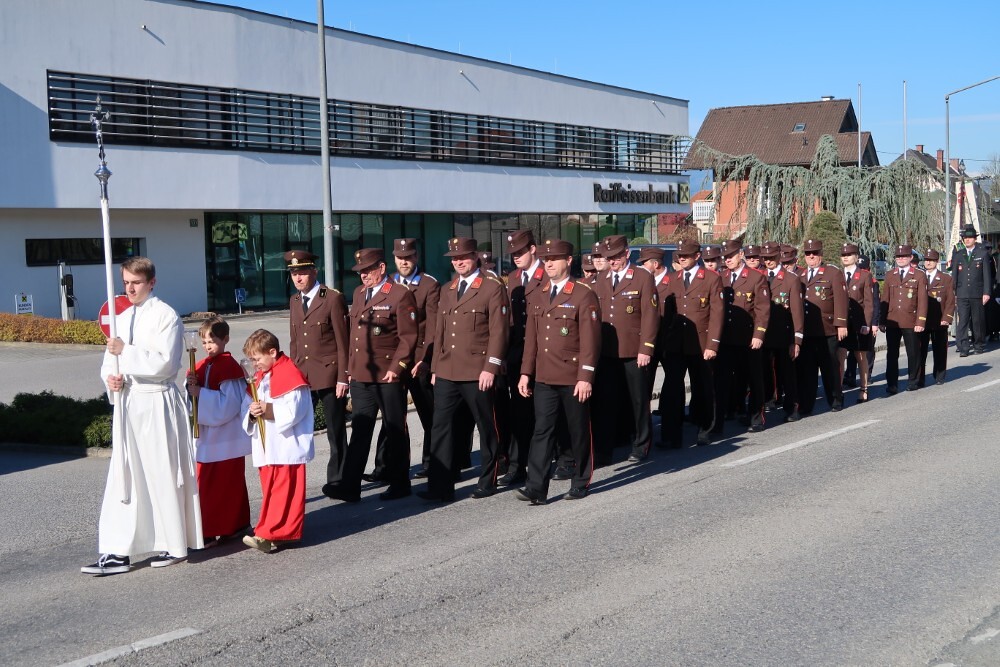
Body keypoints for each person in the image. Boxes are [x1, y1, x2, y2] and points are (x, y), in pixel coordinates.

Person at [82, 257, 203, 575]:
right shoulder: (122, 319)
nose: (130, 289)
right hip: (129, 403)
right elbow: (109, 362)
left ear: (151, 282)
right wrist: (112, 381)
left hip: (157, 402)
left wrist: (127, 351)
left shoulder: (166, 316)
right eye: (126, 283)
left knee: (161, 473)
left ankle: (172, 543)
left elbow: (166, 364)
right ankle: (117, 550)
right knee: (124, 477)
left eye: (136, 282)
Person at [420, 237, 510, 502]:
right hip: (447, 370)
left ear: (475, 257)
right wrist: (435, 368)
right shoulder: (448, 289)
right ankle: (440, 486)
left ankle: (488, 480)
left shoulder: (492, 288)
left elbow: (499, 332)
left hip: (477, 371)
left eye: (463, 257)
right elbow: (440, 331)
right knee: (441, 427)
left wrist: (491, 367)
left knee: (486, 426)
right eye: (454, 258)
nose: (458, 262)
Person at [328, 248, 418, 503]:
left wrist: (397, 368)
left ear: (381, 268)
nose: (364, 276)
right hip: (362, 375)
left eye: (368, 270)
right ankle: (349, 486)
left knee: (394, 429)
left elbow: (408, 337)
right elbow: (354, 336)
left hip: (387, 376)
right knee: (360, 429)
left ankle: (400, 483)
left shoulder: (400, 294)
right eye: (360, 272)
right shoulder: (359, 293)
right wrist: (349, 370)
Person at [515, 239, 601, 504]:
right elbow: (532, 339)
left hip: (573, 376)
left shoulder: (582, 294)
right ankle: (536, 487)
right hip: (544, 376)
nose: (549, 264)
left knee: (578, 430)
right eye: (546, 260)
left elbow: (591, 341)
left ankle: (581, 480)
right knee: (542, 431)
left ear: (569, 261)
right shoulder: (539, 294)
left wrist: (585, 377)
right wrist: (526, 373)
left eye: (555, 259)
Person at [241, 329, 314, 553]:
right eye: (251, 360)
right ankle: (278, 533)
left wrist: (267, 409)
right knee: (271, 492)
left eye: (257, 359)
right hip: (267, 446)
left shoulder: (290, 374)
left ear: (272, 352)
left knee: (282, 492)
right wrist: (252, 413)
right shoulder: (261, 376)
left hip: (285, 445)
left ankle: (267, 534)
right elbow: (248, 406)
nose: (254, 364)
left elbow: (295, 411)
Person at [284, 250, 350, 500]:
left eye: (302, 272)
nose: (298, 278)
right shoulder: (294, 301)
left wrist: (343, 377)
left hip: (330, 374)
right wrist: (290, 375)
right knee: (296, 431)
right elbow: (294, 342)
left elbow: (343, 342)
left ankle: (338, 480)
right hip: (302, 375)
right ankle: (293, 484)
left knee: (335, 430)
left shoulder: (332, 298)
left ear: (314, 271)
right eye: (293, 273)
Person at [592, 234, 659, 464]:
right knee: (606, 400)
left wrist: (646, 348)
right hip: (608, 351)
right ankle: (605, 449)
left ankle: (641, 444)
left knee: (638, 400)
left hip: (633, 350)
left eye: (616, 256)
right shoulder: (601, 279)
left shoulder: (642, 277)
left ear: (627, 253)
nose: (612, 261)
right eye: (609, 257)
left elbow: (650, 315)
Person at [185, 316, 251, 548]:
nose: (207, 346)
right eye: (204, 342)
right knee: (210, 484)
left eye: (212, 341)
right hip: (209, 438)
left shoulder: (229, 367)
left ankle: (218, 529)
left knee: (223, 486)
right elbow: (192, 399)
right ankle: (227, 525)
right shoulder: (201, 365)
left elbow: (229, 406)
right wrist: (190, 388)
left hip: (226, 438)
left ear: (225, 339)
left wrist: (200, 393)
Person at [381, 238, 439, 480]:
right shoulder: (388, 283)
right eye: (400, 258)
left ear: (416, 257)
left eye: (408, 257)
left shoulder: (429, 285)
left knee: (428, 414)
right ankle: (384, 466)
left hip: (417, 360)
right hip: (393, 360)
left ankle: (431, 462)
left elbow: (433, 327)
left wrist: (426, 360)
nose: (404, 262)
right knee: (391, 416)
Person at [659, 240, 724, 448]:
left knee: (702, 387)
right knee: (672, 389)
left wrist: (712, 345)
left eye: (686, 255)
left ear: (697, 256)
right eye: (680, 256)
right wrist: (664, 343)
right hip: (676, 344)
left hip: (701, 344)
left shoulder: (711, 279)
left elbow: (717, 314)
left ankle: (705, 429)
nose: (682, 259)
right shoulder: (673, 279)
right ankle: (671, 436)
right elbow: (668, 314)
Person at [500, 229, 544, 486]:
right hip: (519, 353)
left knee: (547, 411)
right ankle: (517, 466)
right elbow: (509, 320)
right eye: (513, 253)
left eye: (520, 252)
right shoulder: (514, 278)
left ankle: (564, 457)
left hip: (545, 353)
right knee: (519, 412)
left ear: (532, 249)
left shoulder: (547, 273)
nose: (515, 256)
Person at [716, 240, 769, 432]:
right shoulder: (721, 278)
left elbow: (762, 309)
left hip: (748, 338)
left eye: (731, 256)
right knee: (722, 381)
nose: (727, 260)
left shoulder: (756, 277)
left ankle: (756, 417)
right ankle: (717, 423)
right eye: (725, 257)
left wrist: (759, 334)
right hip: (726, 339)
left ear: (740, 255)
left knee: (754, 378)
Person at [797, 239, 847, 415]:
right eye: (808, 253)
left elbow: (841, 300)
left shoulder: (833, 273)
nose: (811, 256)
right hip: (807, 330)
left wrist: (841, 324)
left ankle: (835, 399)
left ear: (821, 254)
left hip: (827, 329)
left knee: (830, 367)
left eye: (815, 253)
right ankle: (806, 404)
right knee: (808, 370)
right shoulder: (801, 275)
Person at [760, 241, 804, 422]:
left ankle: (792, 407)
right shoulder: (760, 277)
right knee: (764, 372)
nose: (768, 261)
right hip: (764, 334)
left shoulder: (790, 279)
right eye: (765, 258)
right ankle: (766, 403)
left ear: (779, 256)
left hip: (783, 335)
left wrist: (797, 340)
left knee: (787, 373)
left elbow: (797, 312)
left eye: (771, 257)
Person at [880, 244, 928, 394]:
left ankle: (913, 380)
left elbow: (922, 301)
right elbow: (885, 298)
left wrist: (920, 321)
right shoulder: (890, 274)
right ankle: (892, 384)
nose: (900, 259)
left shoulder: (919, 275)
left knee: (913, 353)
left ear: (910, 257)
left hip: (910, 320)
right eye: (898, 257)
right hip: (892, 320)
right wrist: (882, 320)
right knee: (892, 354)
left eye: (904, 256)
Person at [838, 244, 875, 403]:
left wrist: (867, 323)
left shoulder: (864, 275)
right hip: (842, 323)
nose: (845, 257)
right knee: (840, 356)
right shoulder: (838, 275)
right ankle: (838, 390)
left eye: (849, 254)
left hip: (859, 322)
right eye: (843, 255)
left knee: (860, 356)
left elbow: (869, 302)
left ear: (856, 257)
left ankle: (863, 388)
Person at [950, 225, 992, 356]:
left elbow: (986, 275)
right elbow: (954, 276)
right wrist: (953, 293)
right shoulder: (958, 255)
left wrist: (986, 292)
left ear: (975, 239)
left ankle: (978, 344)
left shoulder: (982, 253)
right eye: (965, 238)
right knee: (962, 321)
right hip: (962, 293)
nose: (967, 240)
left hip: (977, 293)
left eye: (970, 238)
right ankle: (963, 347)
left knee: (977, 321)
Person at [918, 249, 955, 386]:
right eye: (926, 260)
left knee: (940, 349)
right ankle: (919, 378)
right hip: (922, 320)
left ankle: (939, 374)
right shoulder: (918, 276)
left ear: (937, 261)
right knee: (920, 351)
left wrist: (947, 317)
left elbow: (950, 300)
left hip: (939, 319)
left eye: (931, 260)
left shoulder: (946, 278)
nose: (928, 262)